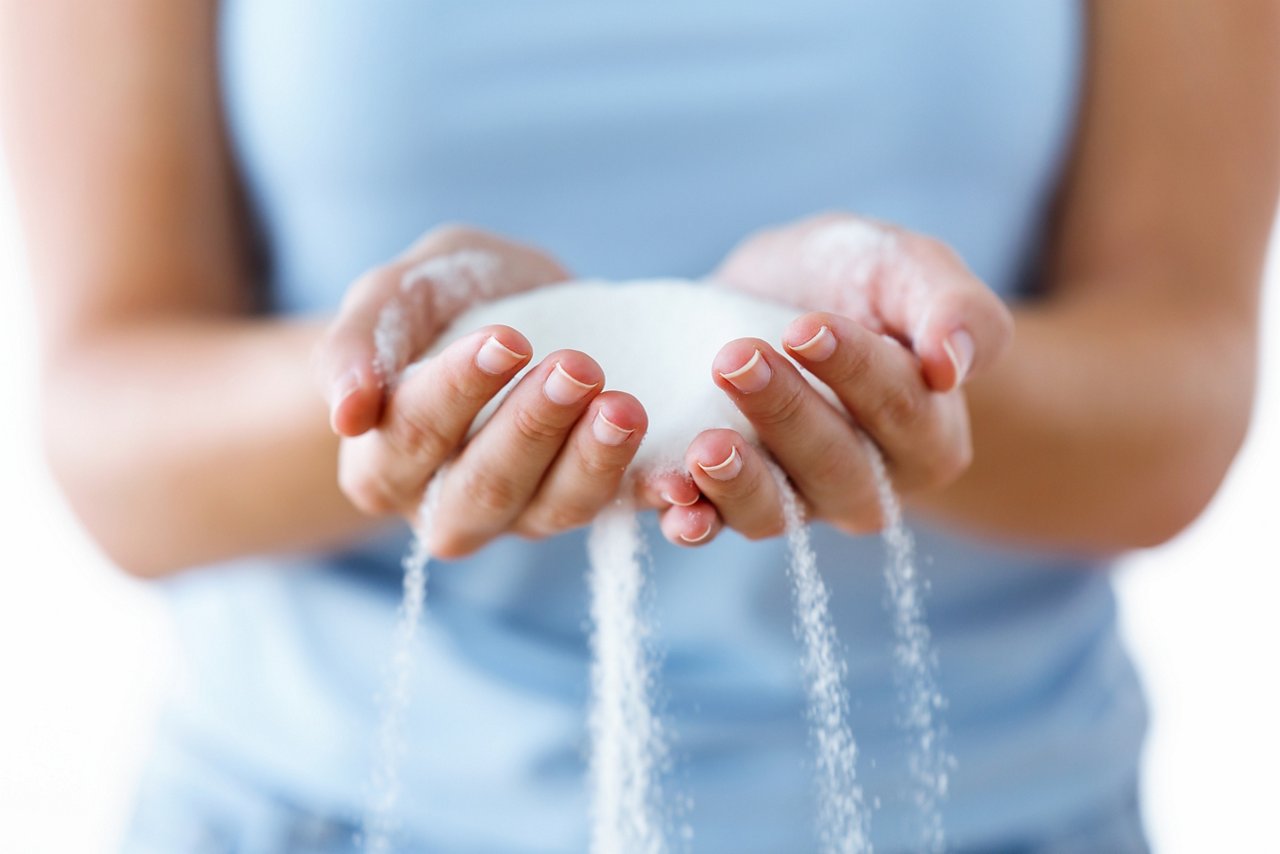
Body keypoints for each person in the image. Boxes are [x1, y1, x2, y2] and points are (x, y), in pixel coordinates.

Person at [2, 1, 1275, 851]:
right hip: (328, 805)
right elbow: (110, 427)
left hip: (973, 809)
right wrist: (392, 397)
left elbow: (1182, 377)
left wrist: (911, 380)